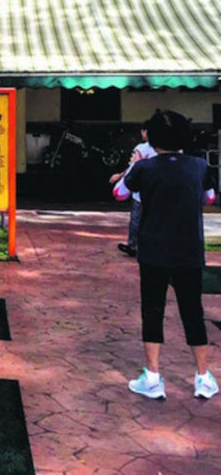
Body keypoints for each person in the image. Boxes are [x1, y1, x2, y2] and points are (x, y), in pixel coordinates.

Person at [117, 110, 217, 401]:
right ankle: (202, 377)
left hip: (153, 250)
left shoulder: (145, 168)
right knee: (192, 311)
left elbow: (119, 193)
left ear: (154, 138)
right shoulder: (199, 166)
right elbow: (209, 197)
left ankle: (152, 376)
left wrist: (135, 167)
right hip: (189, 250)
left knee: (152, 309)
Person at [110, 122, 156, 256]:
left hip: (141, 191)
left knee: (136, 220)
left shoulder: (141, 148)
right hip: (158, 191)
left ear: (145, 132)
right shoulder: (169, 150)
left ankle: (133, 246)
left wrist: (120, 177)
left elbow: (133, 167)